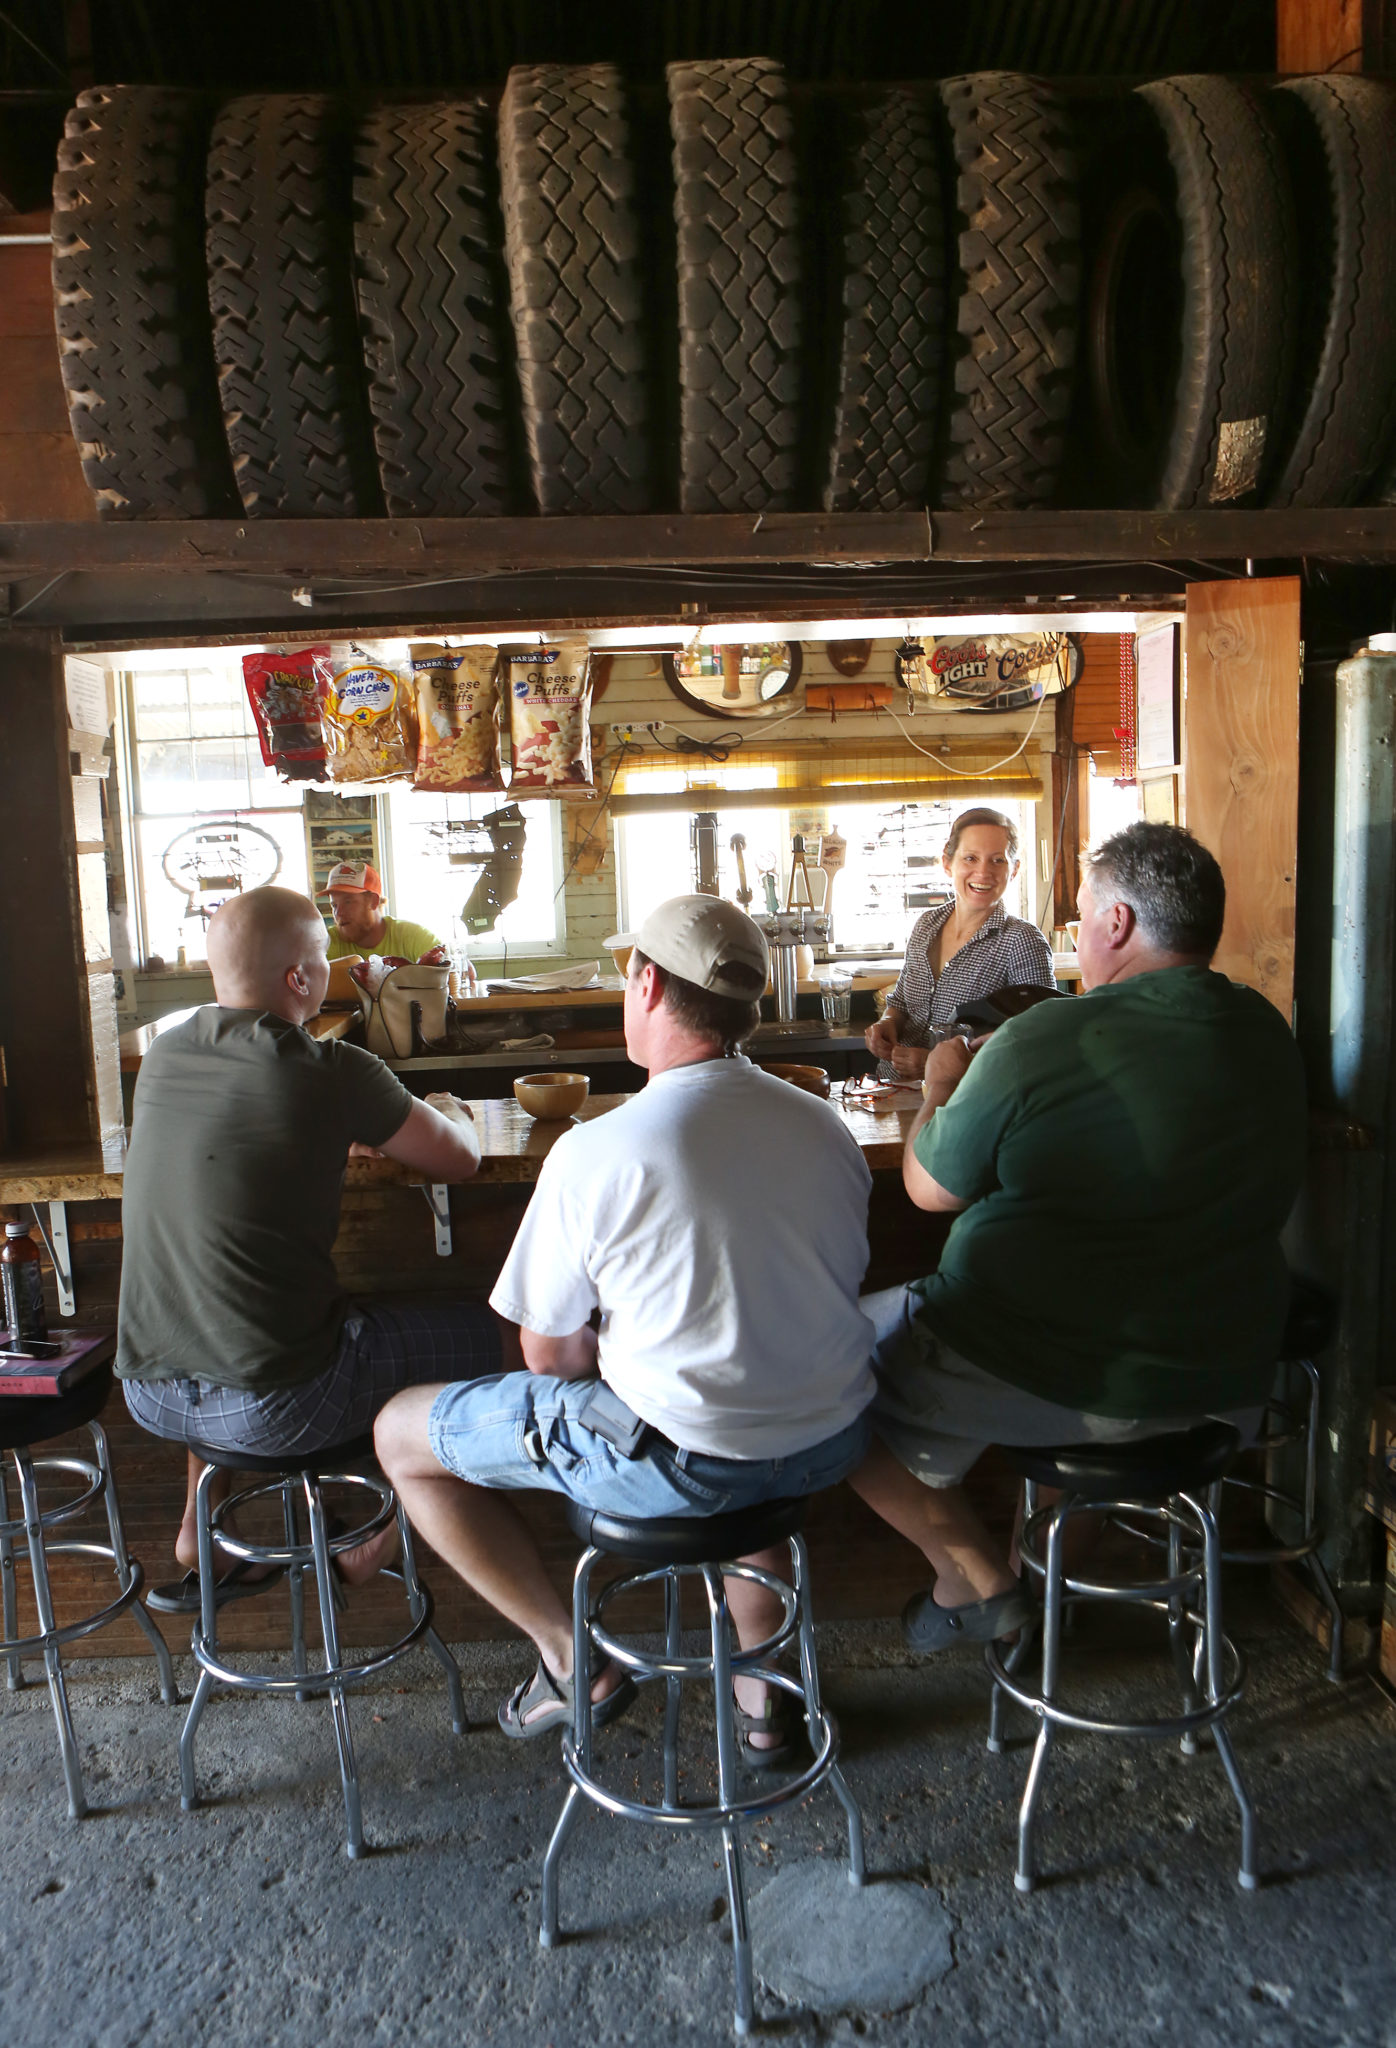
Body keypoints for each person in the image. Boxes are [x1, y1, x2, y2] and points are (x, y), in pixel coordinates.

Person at [375, 895, 877, 1754]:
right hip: (827, 1442)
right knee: (732, 1434)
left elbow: (551, 1358)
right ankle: (767, 1705)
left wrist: (626, 1344)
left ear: (646, 983)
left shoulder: (600, 1148)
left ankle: (573, 1662)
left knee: (398, 1433)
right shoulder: (824, 1124)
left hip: (689, 1468)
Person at [849, 823, 1307, 1649]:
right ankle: (1043, 1597)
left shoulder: (1040, 1038)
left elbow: (927, 1190)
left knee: (821, 1389)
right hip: (1223, 1384)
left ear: (1119, 924)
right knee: (1074, 1355)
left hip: (1059, 1372)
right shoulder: (1265, 1031)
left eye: (1086, 911)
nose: (1078, 931)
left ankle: (976, 1583)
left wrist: (940, 1089)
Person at [117, 885, 505, 1610]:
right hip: (281, 1407)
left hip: (151, 1395)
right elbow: (458, 1159)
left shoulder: (165, 1057)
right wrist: (451, 1111)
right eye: (324, 958)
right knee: (510, 1337)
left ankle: (195, 1531)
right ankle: (373, 1539)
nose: (329, 969)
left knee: (231, 1311)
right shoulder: (327, 1071)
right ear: (300, 978)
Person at [866, 807, 1054, 1083]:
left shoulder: (1022, 941)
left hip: (966, 1100)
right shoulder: (926, 925)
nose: (983, 872)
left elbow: (1038, 1043)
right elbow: (903, 1003)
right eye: (970, 858)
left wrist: (939, 1064)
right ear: (947, 863)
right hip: (889, 1088)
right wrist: (887, 1024)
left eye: (998, 860)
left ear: (1014, 870)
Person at [322, 861, 443, 962]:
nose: (339, 913)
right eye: (334, 905)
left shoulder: (414, 937)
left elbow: (448, 978)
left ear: (374, 901)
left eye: (348, 902)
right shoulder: (326, 944)